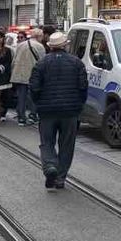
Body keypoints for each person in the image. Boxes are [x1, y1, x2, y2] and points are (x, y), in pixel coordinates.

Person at [30, 31, 87, 190]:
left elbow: (34, 88)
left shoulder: (41, 63)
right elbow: (83, 87)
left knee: (46, 142)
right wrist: (79, 105)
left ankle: (50, 166)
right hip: (70, 111)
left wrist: (38, 104)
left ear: (50, 47)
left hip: (47, 111)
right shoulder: (77, 63)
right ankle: (60, 178)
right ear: (65, 45)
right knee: (67, 145)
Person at [10, 28, 44, 126]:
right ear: (39, 36)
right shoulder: (39, 46)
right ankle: (33, 115)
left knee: (21, 96)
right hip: (33, 75)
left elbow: (14, 60)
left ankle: (21, 117)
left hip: (20, 74)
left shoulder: (20, 45)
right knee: (33, 96)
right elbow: (42, 62)